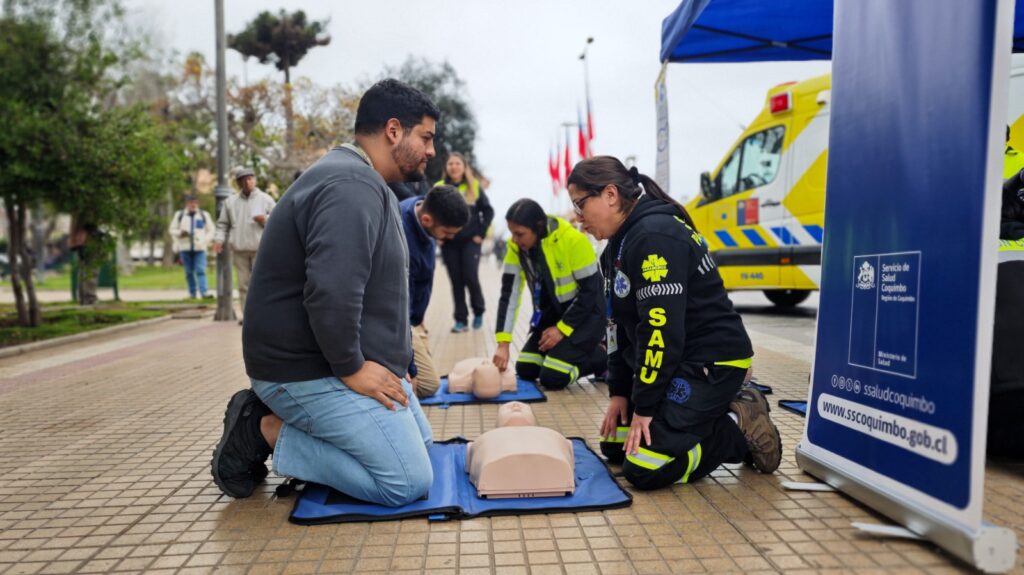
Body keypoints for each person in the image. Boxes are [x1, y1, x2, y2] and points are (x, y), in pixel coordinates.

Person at [210, 78, 440, 505]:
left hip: (333, 360)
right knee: (407, 481)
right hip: (304, 371)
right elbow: (332, 293)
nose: (431, 151)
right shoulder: (350, 187)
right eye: (425, 137)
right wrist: (353, 368)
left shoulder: (368, 184)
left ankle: (304, 425)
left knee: (422, 448)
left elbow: (376, 292)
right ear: (394, 131)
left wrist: (397, 359)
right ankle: (264, 428)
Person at [567, 156, 782, 490]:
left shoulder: (655, 237)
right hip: (678, 362)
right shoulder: (617, 248)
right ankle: (698, 418)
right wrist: (621, 394)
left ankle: (734, 426)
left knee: (643, 470)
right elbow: (618, 328)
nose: (578, 218)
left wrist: (647, 406)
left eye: (580, 204)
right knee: (615, 447)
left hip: (711, 364)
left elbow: (660, 331)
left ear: (610, 194)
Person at [492, 199, 606, 390]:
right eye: (512, 233)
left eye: (519, 234)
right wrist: (503, 344)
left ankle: (601, 358)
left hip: (585, 319)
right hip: (550, 318)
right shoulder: (517, 248)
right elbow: (508, 295)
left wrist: (561, 330)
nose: (514, 240)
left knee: (552, 378)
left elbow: (591, 293)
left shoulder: (573, 241)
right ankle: (560, 355)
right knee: (526, 369)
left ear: (538, 227)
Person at [400, 185, 470, 398]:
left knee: (425, 375)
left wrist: (418, 318)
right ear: (427, 220)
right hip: (396, 322)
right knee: (428, 385)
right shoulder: (403, 239)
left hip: (411, 319)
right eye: (447, 233)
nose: (448, 238)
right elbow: (398, 306)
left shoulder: (422, 213)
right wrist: (409, 368)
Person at [436, 153, 494, 332]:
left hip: (470, 241)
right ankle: (460, 320)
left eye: (457, 163)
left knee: (470, 276)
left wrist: (480, 234)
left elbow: (488, 211)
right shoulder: (439, 187)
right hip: (449, 242)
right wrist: (438, 235)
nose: (454, 166)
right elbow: (432, 212)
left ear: (464, 167)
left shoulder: (474, 186)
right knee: (456, 281)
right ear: (446, 167)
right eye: (450, 163)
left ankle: (478, 310)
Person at [212, 168, 276, 320]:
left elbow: (277, 222)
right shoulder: (230, 202)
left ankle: (263, 315)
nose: (248, 182)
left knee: (260, 285)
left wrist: (264, 220)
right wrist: (218, 240)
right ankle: (248, 317)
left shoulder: (265, 199)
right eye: (244, 180)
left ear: (255, 180)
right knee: (243, 286)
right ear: (239, 183)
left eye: (250, 178)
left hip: (260, 250)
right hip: (239, 250)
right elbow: (222, 225)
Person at [169, 195, 214, 299]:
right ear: (187, 203)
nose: (193, 205)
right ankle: (192, 293)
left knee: (201, 270)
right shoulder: (180, 215)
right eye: (191, 202)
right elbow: (172, 229)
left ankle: (204, 292)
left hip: (200, 248)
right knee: (189, 272)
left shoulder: (203, 215)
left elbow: (211, 230)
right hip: (185, 247)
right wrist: (180, 233)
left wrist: (204, 241)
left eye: (195, 202)